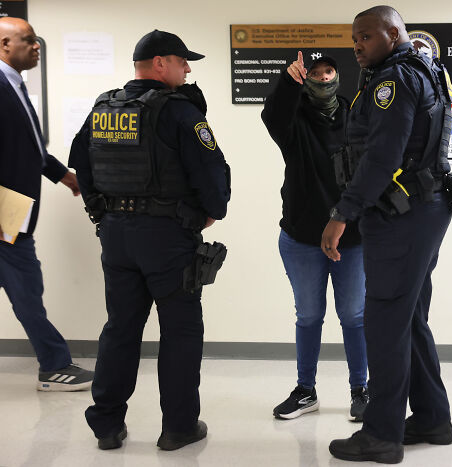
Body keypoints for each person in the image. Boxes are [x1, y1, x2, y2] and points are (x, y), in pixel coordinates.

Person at [68, 29, 230, 451]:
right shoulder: (178, 111)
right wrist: (212, 211)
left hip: (117, 237)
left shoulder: (105, 107)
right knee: (179, 330)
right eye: (182, 61)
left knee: (120, 328)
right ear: (160, 63)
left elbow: (79, 163)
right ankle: (178, 427)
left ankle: (106, 425)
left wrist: (102, 214)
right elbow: (211, 171)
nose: (187, 68)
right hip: (167, 238)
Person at [321, 6, 452, 464]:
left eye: (366, 36)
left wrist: (342, 213)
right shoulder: (425, 68)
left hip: (402, 216)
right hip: (423, 209)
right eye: (354, 38)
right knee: (409, 318)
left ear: (394, 32)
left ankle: (380, 435)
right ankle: (434, 419)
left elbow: (382, 156)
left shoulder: (392, 81)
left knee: (385, 323)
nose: (357, 45)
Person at [261, 51, 369, 421]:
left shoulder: (355, 114)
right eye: (316, 73)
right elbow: (272, 116)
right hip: (302, 237)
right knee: (309, 316)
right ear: (305, 79)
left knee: (354, 316)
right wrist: (287, 82)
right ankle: (306, 390)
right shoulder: (294, 120)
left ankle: (361, 389)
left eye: (329, 72)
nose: (323, 78)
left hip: (352, 238)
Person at [0, 17, 94, 392]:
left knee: (27, 286)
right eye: (29, 40)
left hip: (15, 207)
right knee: (26, 287)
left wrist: (66, 176)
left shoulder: (14, 85)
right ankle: (54, 365)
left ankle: (54, 362)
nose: (36, 46)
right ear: (5, 44)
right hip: (6, 211)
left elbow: (30, 149)